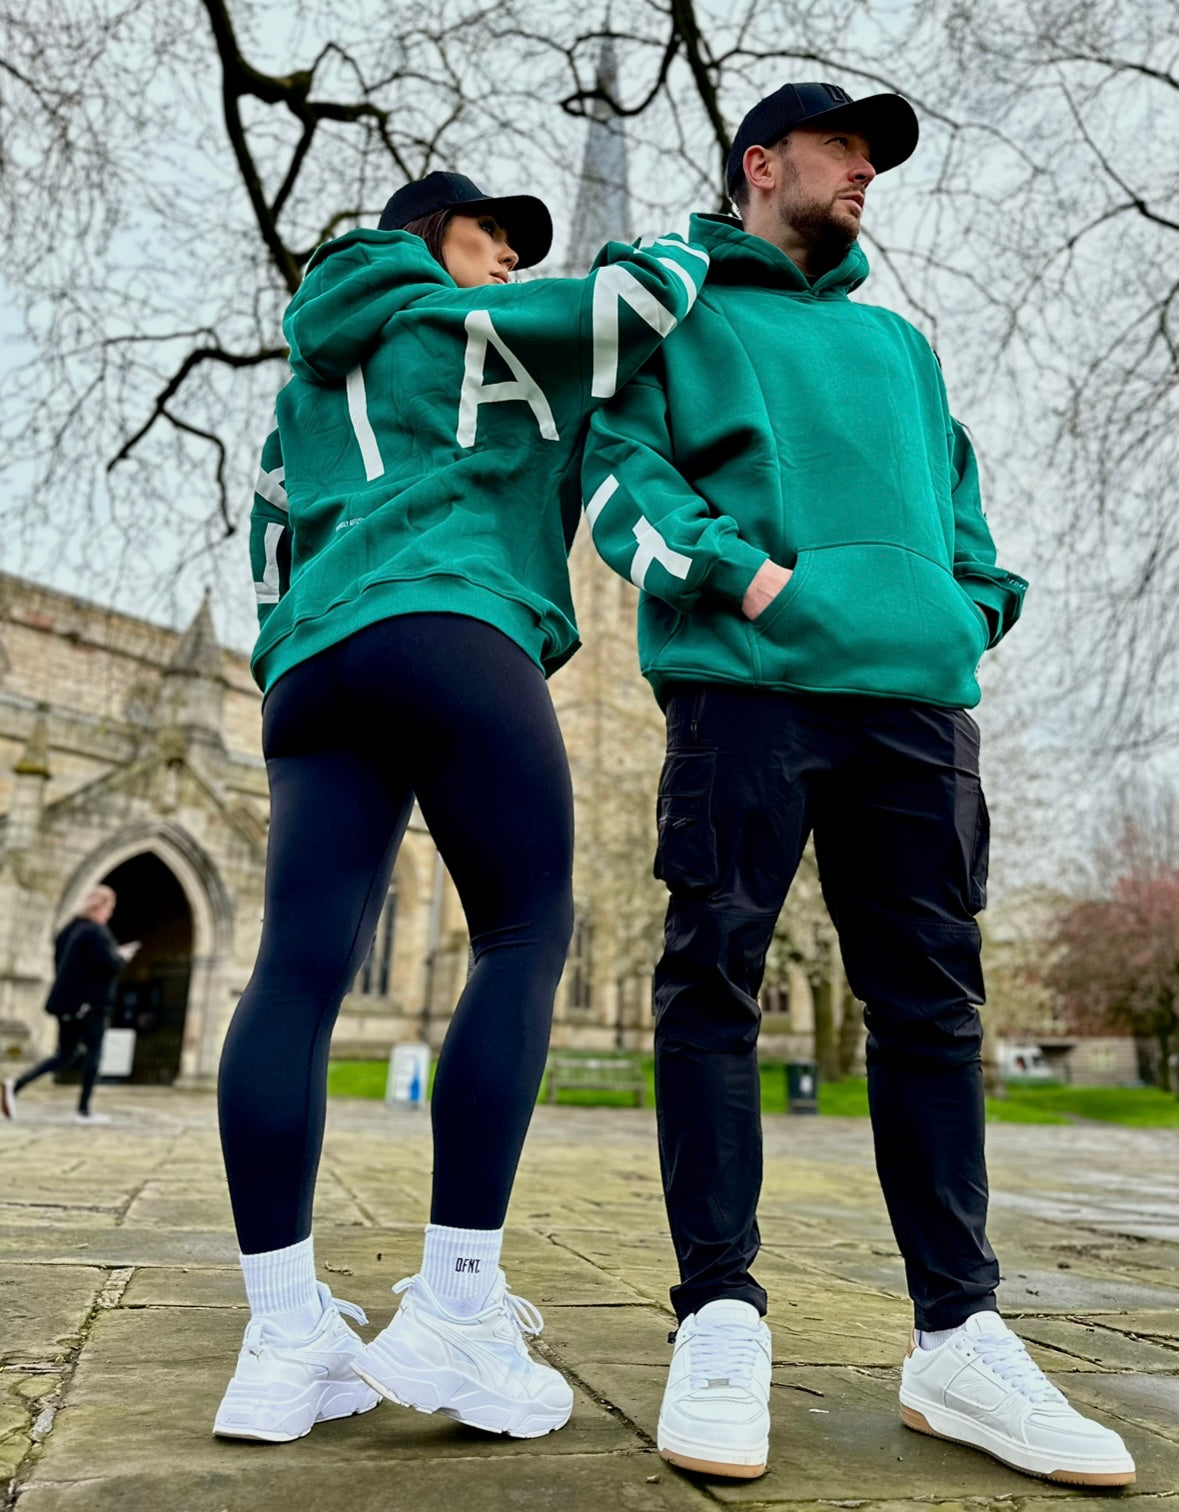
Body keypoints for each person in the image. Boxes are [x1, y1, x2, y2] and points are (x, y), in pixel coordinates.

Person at [581, 83, 1136, 1487]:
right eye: (843, 146)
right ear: (760, 163)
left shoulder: (900, 346)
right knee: (712, 981)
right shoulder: (678, 316)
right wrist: (752, 580)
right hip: (746, 687)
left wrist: (965, 613)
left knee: (932, 1008)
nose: (866, 169)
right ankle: (717, 1313)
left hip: (913, 705)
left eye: (875, 154)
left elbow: (964, 514)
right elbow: (617, 487)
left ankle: (958, 1337)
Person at [214, 170, 710, 1444]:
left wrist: (299, 646)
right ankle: (457, 1302)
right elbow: (636, 305)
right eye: (493, 234)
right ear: (427, 237)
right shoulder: (458, 323)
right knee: (524, 934)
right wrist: (692, 243)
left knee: (293, 973)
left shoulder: (305, 385)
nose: (508, 261)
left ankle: (282, 1337)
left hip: (313, 665)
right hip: (451, 621)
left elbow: (268, 546)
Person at [1, 885, 138, 1125]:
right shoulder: (96, 932)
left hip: (66, 1004)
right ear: (101, 906)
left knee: (66, 1054)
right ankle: (83, 1110)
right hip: (91, 1005)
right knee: (94, 1053)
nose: (110, 913)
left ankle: (16, 1085)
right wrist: (122, 957)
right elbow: (108, 965)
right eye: (110, 907)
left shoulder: (69, 929)